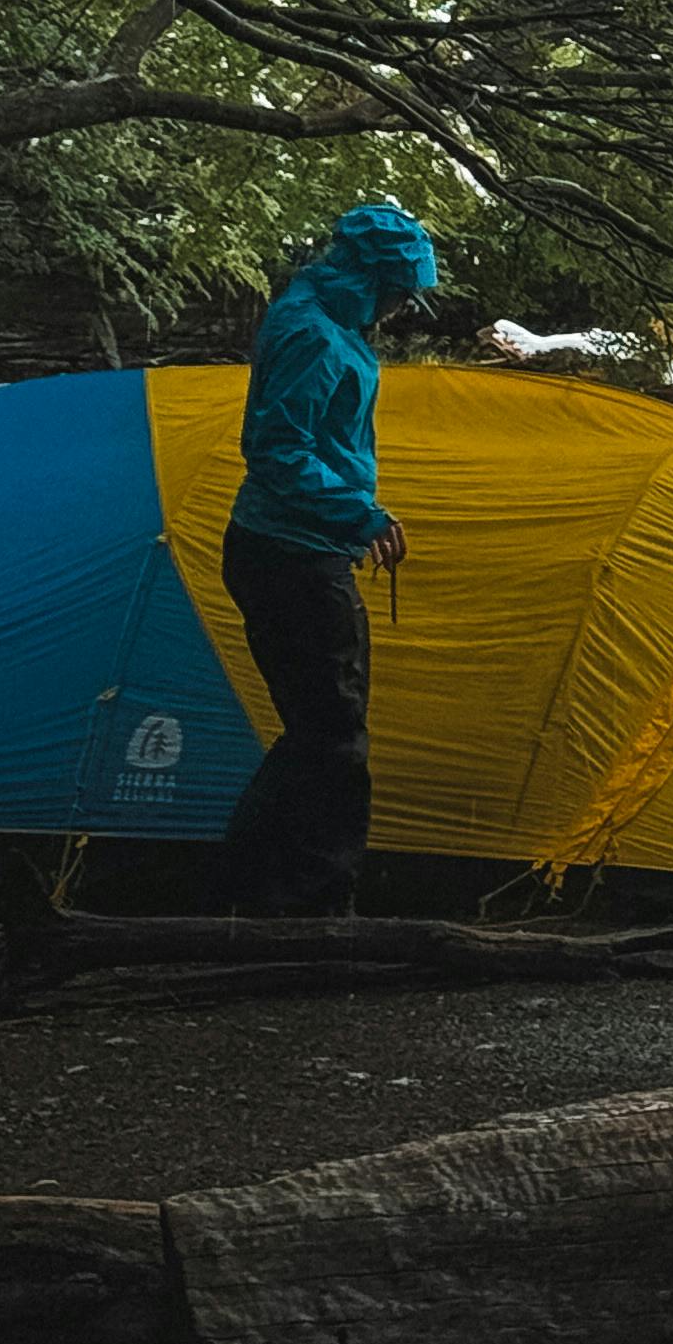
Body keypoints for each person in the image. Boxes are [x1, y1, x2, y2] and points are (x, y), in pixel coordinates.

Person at [210, 200, 440, 917]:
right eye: (401, 291)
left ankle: (252, 888)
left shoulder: (329, 322)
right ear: (372, 279)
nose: (404, 307)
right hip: (291, 554)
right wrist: (359, 515)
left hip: (297, 546)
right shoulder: (311, 332)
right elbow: (278, 450)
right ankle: (315, 904)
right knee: (334, 738)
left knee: (317, 731)